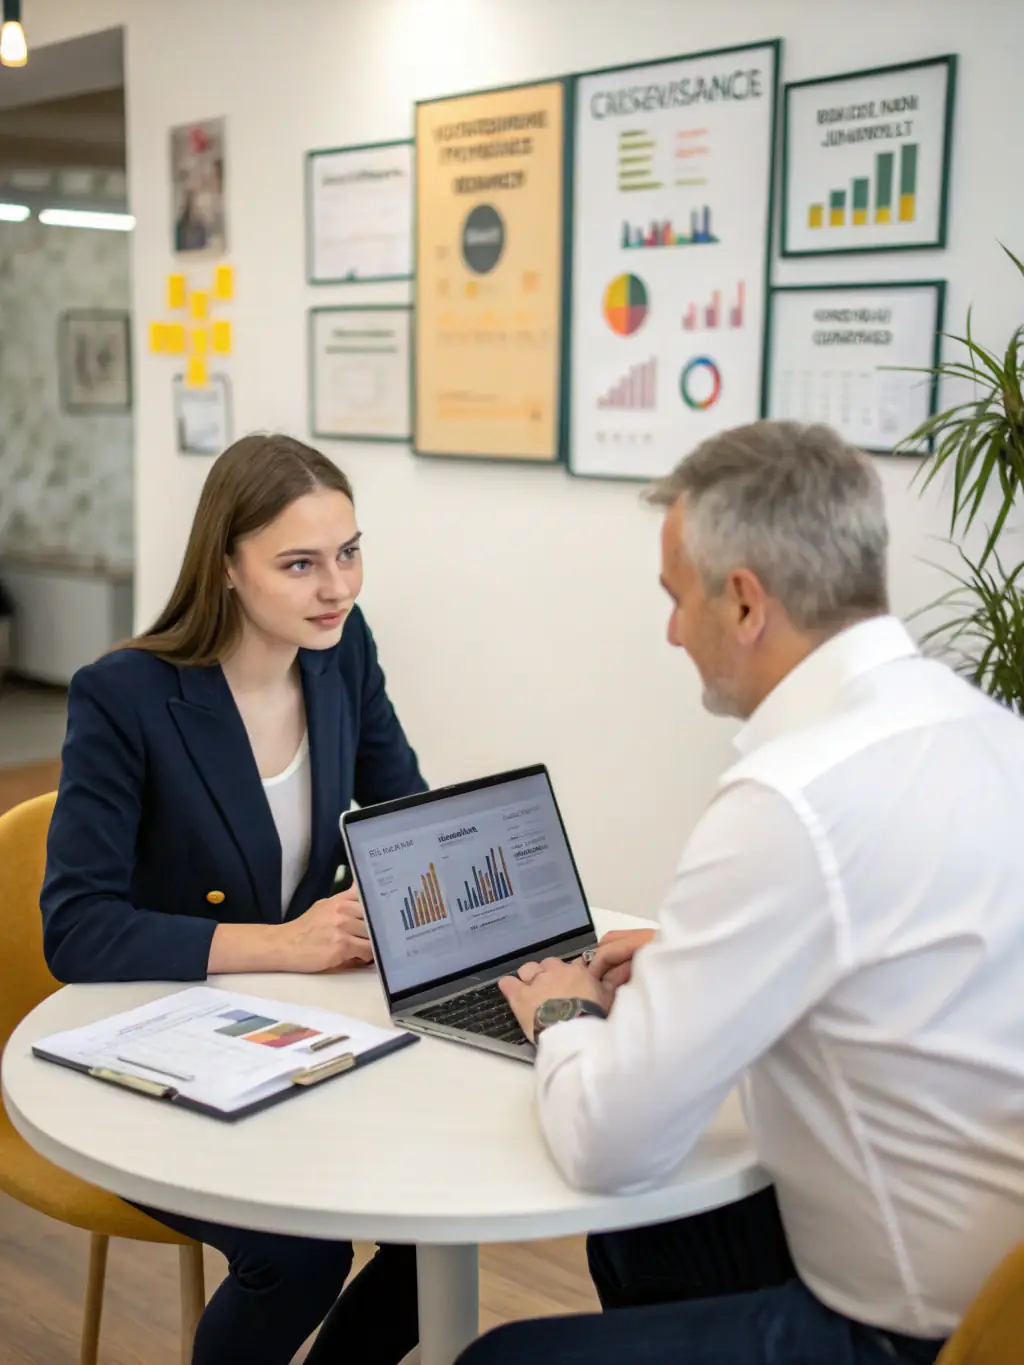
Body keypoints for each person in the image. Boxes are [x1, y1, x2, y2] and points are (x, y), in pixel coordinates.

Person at [460, 420, 1024, 1365]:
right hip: (1002, 1278)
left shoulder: (791, 799)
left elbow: (608, 1141)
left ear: (747, 603)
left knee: (498, 1360)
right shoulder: (985, 728)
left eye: (678, 599)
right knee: (646, 1232)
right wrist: (696, 960)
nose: (672, 631)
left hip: (919, 1333)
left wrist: (562, 1011)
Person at [41, 433, 426, 1365]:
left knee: (428, 1230)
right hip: (146, 1045)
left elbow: (404, 810)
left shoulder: (339, 652)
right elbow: (77, 929)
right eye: (300, 564)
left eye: (348, 551)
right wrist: (285, 943)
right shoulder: (124, 696)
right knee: (298, 1257)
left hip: (288, 1036)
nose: (338, 587)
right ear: (227, 569)